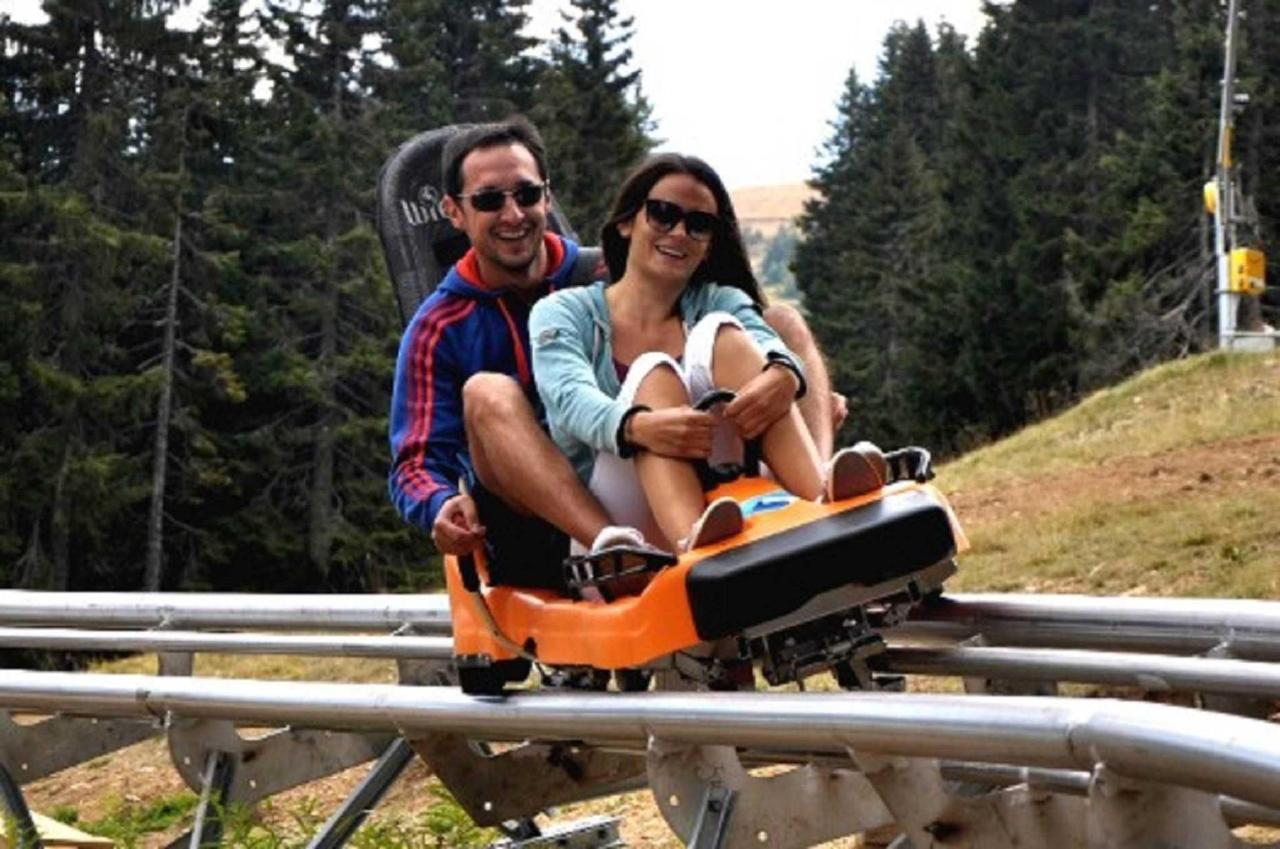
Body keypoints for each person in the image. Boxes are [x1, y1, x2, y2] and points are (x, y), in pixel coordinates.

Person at [388, 117, 851, 588]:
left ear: (546, 198)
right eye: (490, 201)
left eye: (526, 195)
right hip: (548, 509)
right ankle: (613, 545)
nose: (513, 214)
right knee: (489, 392)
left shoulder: (617, 272)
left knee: (781, 324)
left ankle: (821, 485)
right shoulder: (443, 326)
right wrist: (441, 504)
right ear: (455, 212)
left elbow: (749, 330)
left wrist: (789, 378)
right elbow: (417, 461)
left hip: (682, 457)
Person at [529, 153, 877, 553]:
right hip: (624, 523)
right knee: (653, 373)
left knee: (728, 336)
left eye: (699, 225)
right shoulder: (562, 313)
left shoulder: (719, 302)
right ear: (626, 223)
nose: (679, 232)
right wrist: (637, 427)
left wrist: (784, 373)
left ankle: (820, 498)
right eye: (663, 215)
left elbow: (764, 338)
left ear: (709, 245)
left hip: (725, 490)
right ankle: (694, 542)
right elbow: (570, 398)